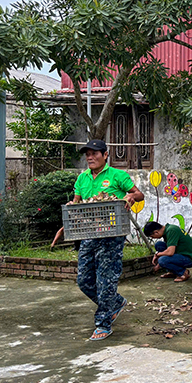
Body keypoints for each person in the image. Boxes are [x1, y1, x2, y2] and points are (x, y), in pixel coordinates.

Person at [70, 139, 144, 341]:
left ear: (105, 155)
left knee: (105, 280)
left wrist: (129, 197)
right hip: (88, 234)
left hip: (112, 235)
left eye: (94, 153)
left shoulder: (117, 176)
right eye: (87, 154)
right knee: (84, 280)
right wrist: (71, 205)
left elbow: (139, 194)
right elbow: (76, 202)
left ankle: (103, 323)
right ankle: (116, 302)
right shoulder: (82, 179)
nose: (90, 157)